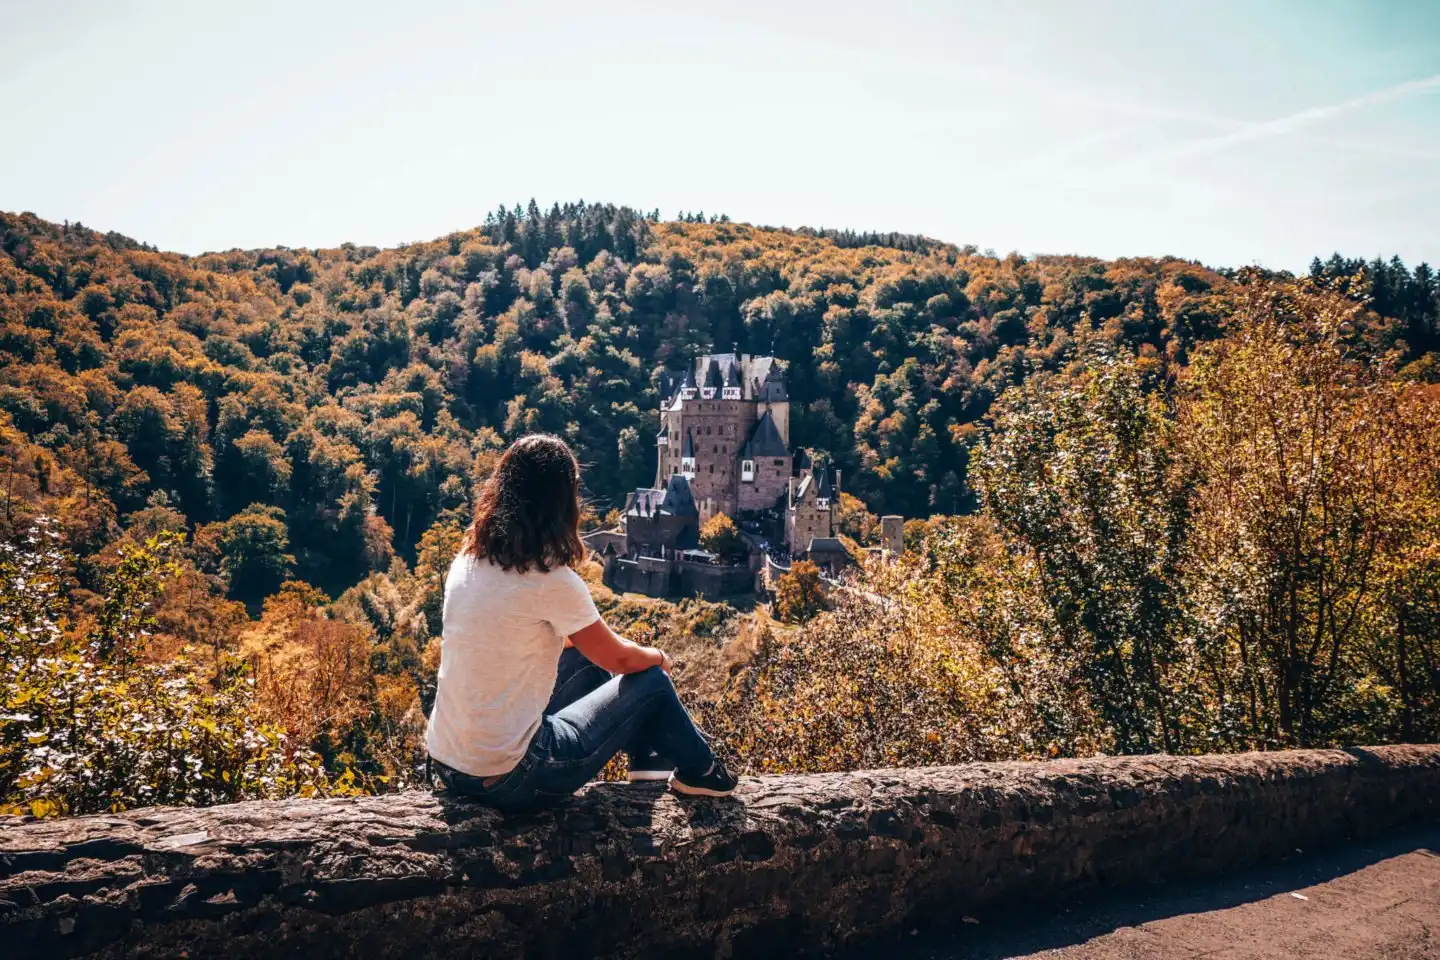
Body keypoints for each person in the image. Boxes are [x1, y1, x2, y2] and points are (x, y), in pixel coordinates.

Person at [425, 433, 738, 811]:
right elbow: (621, 661)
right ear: (562, 503)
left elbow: (572, 647)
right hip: (512, 778)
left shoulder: (468, 560)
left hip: (448, 764)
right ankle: (703, 773)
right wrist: (657, 656)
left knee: (584, 663)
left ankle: (648, 758)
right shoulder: (550, 580)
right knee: (651, 681)